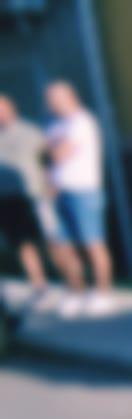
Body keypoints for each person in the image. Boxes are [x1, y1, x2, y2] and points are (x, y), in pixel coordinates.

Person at [44, 80, 112, 315]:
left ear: (70, 96)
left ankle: (103, 294)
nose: (51, 103)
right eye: (50, 99)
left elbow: (59, 153)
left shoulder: (82, 121)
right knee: (63, 245)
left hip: (83, 192)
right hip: (58, 193)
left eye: (56, 98)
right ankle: (77, 292)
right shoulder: (55, 126)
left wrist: (49, 152)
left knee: (92, 243)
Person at [0, 94, 52, 300]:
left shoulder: (30, 132)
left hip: (33, 195)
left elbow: (47, 160)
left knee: (50, 239)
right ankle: (39, 283)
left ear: (11, 108)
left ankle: (71, 280)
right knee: (22, 243)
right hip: (6, 198)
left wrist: (49, 185)